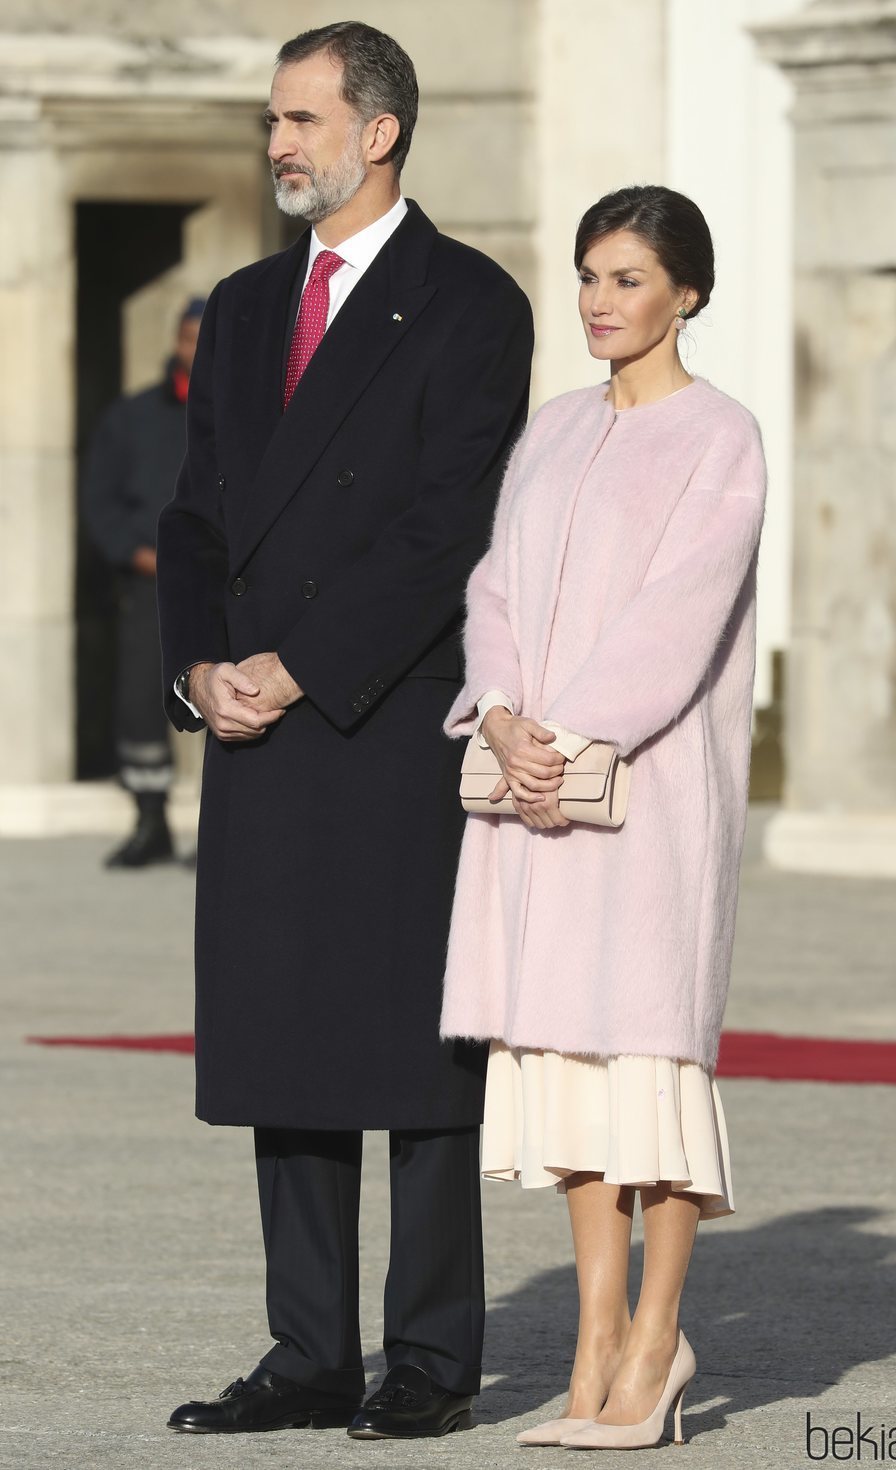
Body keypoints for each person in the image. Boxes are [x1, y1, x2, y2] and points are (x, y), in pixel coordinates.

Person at [155, 21, 533, 1441]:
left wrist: (301, 664)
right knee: (283, 1043)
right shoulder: (247, 305)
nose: (277, 145)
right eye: (273, 120)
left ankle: (430, 1356)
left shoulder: (471, 303)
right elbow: (195, 514)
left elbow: (450, 525)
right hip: (251, 723)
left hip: (383, 723)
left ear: (379, 131)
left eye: (302, 120)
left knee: (415, 1056)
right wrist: (201, 666)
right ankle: (307, 1349)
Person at [440, 185, 767, 1450]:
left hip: (650, 800)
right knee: (567, 1066)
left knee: (647, 1063)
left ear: (685, 291)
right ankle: (592, 1336)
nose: (597, 301)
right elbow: (495, 586)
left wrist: (571, 731)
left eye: (626, 279)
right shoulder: (553, 431)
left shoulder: (719, 436)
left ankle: (655, 1338)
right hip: (533, 793)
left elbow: (679, 615)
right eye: (587, 276)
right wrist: (503, 709)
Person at [82, 301, 203, 868]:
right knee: (138, 703)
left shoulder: (245, 410)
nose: (195, 351)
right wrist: (133, 553)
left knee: (225, 700)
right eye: (188, 339)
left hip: (219, 584)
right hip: (147, 585)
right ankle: (150, 820)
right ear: (175, 342)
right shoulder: (130, 418)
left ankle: (217, 833)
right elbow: (99, 499)